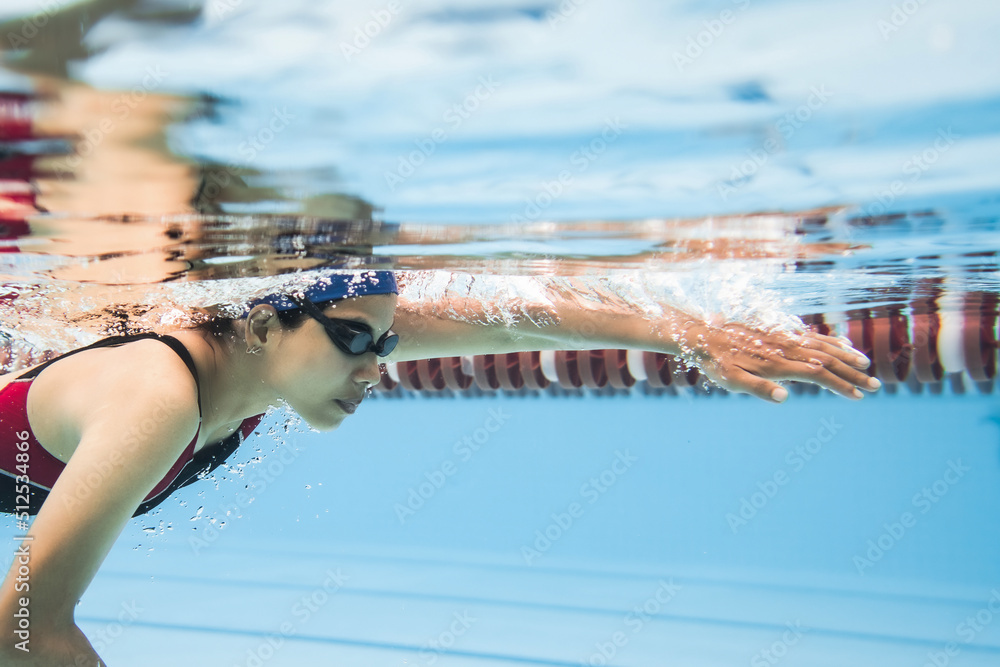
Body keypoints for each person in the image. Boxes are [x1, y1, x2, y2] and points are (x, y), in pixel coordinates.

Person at [0, 269, 879, 666]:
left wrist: (688, 336)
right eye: (357, 343)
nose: (377, 366)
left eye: (385, 344)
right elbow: (23, 630)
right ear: (263, 320)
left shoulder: (289, 341)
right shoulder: (161, 395)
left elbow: (511, 319)